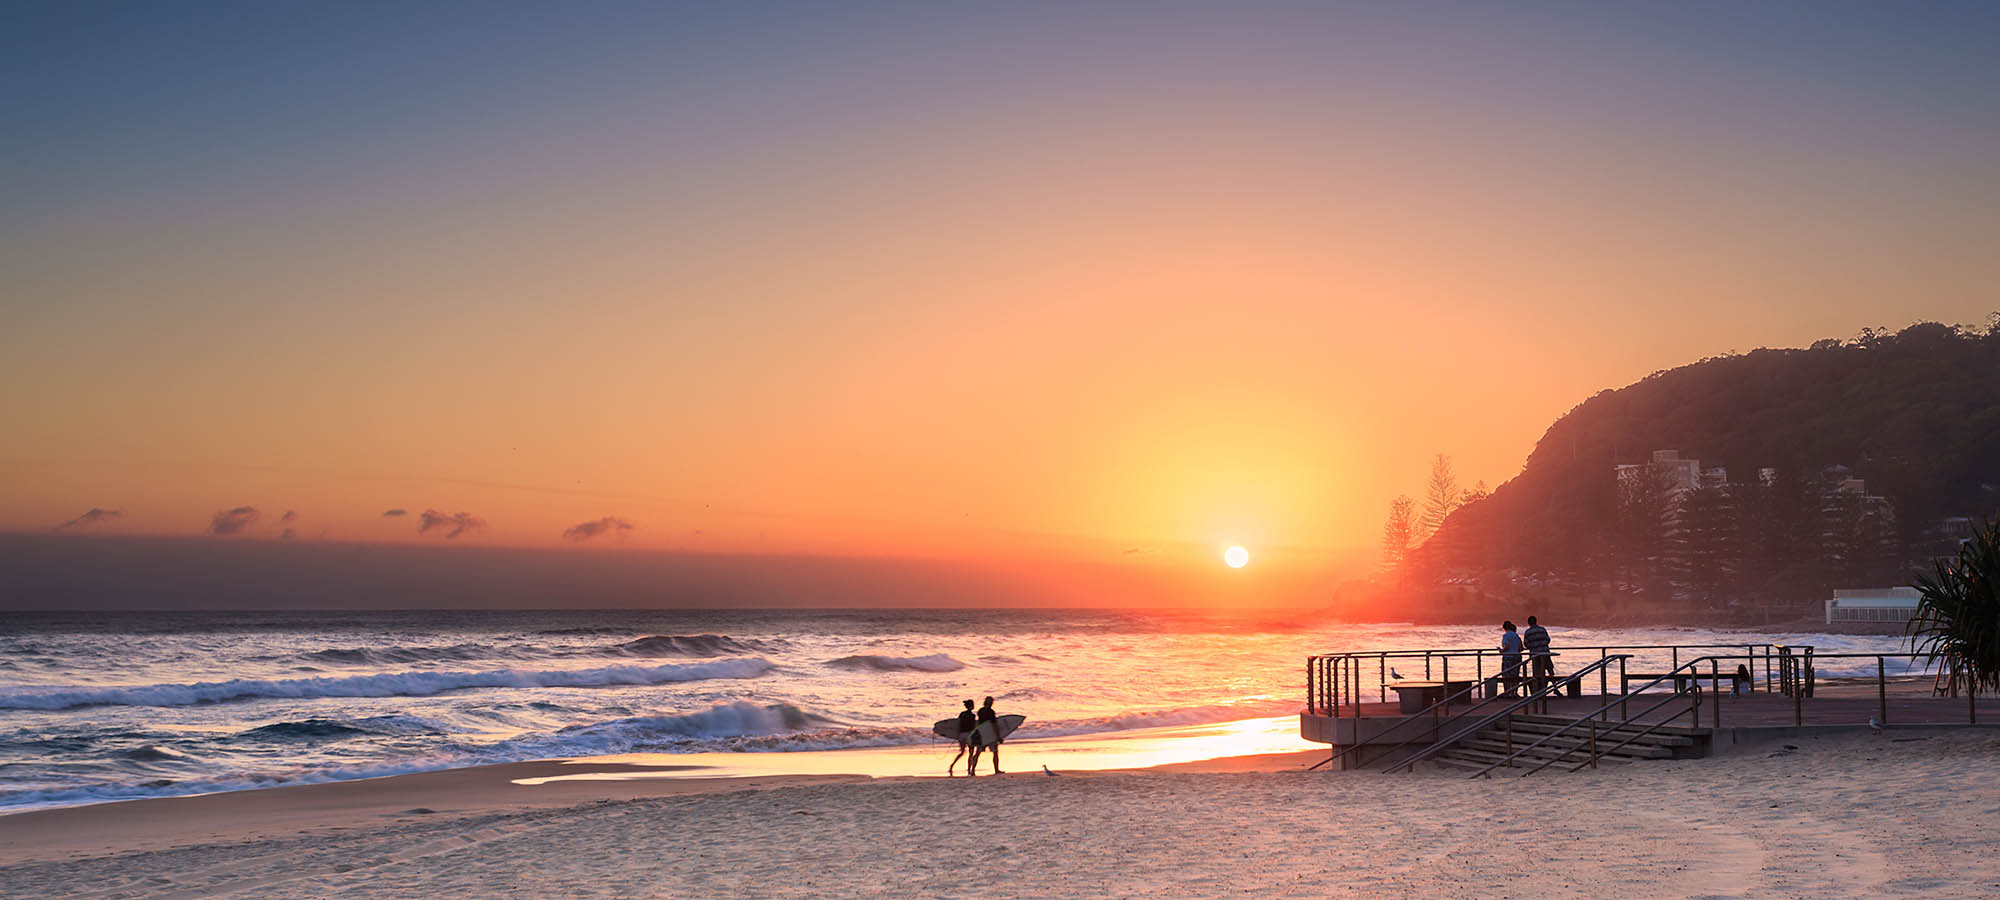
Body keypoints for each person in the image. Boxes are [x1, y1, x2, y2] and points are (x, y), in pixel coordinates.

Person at [969, 696, 1005, 775]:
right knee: (995, 752)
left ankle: (972, 770)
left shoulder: (980, 711)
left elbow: (978, 723)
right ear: (991, 703)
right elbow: (994, 725)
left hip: (981, 734)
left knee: (978, 753)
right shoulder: (991, 712)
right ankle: (996, 770)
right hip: (990, 735)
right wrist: (999, 737)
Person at [1523, 616, 1554, 694]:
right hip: (1545, 652)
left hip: (1535, 655)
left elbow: (1526, 644)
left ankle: (1538, 691)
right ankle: (1555, 687)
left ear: (1529, 623)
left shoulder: (1528, 632)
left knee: (1537, 672)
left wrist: (1534, 645)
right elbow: (1548, 640)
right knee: (1550, 670)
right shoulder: (1542, 629)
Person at [947, 699, 978, 776]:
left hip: (961, 735)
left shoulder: (962, 714)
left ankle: (952, 765)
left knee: (962, 752)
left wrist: (956, 735)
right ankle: (969, 769)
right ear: (971, 706)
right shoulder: (972, 716)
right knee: (971, 752)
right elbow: (973, 727)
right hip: (969, 735)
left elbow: (958, 724)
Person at [1498, 621, 1523, 697]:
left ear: (1504, 628)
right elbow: (1520, 648)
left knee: (1506, 675)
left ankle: (1507, 692)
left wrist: (1501, 650)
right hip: (1517, 657)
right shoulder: (1516, 635)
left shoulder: (1506, 636)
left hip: (1508, 657)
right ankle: (1514, 692)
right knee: (1515, 675)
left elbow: (1507, 646)